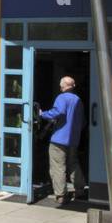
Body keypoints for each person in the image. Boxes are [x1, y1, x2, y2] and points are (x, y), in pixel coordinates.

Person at [40, 75, 86, 204]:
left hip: (58, 139)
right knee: (73, 164)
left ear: (63, 86)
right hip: (73, 139)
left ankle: (61, 195)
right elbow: (83, 122)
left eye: (61, 85)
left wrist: (42, 114)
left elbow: (58, 112)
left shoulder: (61, 98)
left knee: (58, 167)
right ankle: (80, 190)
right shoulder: (78, 100)